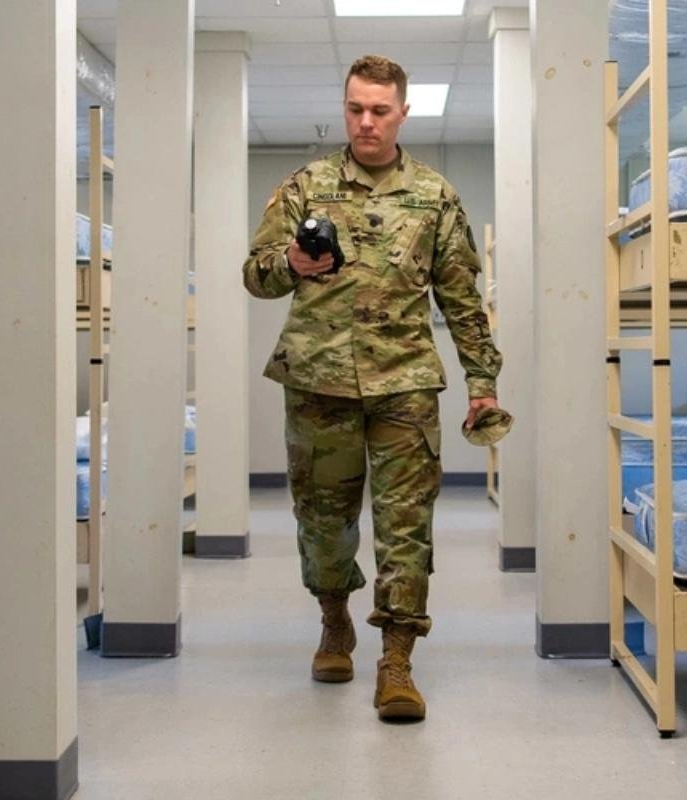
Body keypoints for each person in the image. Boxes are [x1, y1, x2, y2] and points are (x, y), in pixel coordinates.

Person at [243, 54, 501, 723]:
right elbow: (256, 275)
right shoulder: (306, 186)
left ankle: (397, 661)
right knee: (323, 522)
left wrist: (482, 381)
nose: (366, 121)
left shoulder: (435, 196)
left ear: (402, 114)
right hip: (317, 381)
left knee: (405, 526)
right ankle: (335, 621)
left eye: (379, 110)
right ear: (345, 107)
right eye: (356, 108)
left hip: (405, 383)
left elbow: (462, 299)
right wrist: (289, 262)